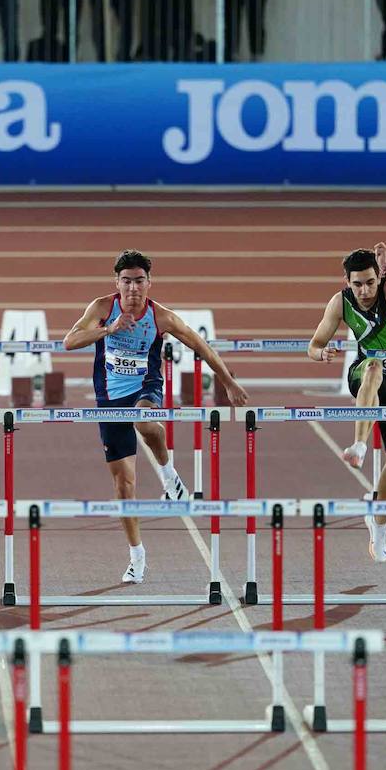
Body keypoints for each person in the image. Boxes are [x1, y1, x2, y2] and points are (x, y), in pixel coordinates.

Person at [64, 250, 248, 584]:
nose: (132, 288)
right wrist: (110, 329)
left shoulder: (160, 317)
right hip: (109, 398)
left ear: (149, 283)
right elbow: (69, 341)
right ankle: (138, 556)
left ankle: (168, 474)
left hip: (146, 387)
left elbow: (201, 346)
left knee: (144, 420)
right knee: (124, 486)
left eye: (138, 281)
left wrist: (229, 381)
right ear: (116, 282)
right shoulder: (103, 308)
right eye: (126, 281)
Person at [306, 243, 386, 564]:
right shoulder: (340, 303)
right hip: (364, 377)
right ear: (347, 282)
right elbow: (314, 345)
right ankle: (358, 443)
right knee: (374, 366)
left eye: (370, 282)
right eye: (357, 283)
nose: (364, 290)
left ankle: (378, 523)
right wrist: (322, 353)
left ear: (377, 277)